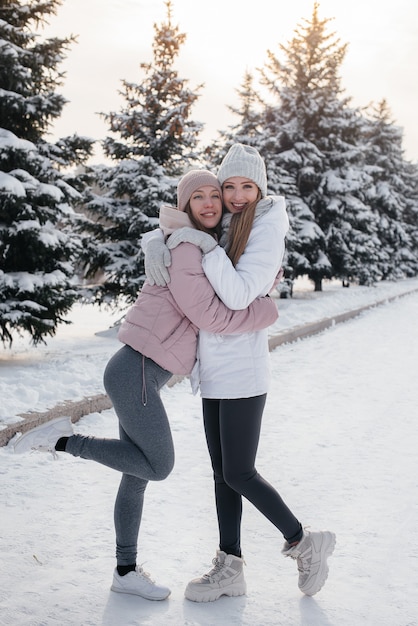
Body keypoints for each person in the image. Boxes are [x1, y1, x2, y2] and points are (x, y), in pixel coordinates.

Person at [13, 170, 279, 602]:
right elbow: (212, 317)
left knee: (134, 474)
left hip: (138, 370)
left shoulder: (195, 243)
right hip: (136, 369)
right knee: (158, 466)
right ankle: (62, 440)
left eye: (217, 194)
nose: (211, 203)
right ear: (186, 206)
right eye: (200, 198)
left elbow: (223, 263)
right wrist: (265, 312)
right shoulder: (190, 251)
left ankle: (125, 570)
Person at [145, 144, 336, 602]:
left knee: (239, 472)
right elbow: (183, 228)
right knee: (220, 473)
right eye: (228, 185)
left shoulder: (265, 230)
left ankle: (304, 541)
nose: (233, 195)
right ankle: (229, 565)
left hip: (243, 369)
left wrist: (205, 247)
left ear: (260, 189)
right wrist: (158, 241)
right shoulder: (232, 224)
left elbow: (235, 295)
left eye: (245, 186)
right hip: (216, 366)